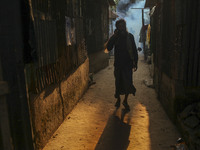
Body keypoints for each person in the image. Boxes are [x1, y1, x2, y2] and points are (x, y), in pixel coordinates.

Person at [106, 19, 138, 110]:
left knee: (128, 83)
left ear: (125, 26)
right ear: (117, 27)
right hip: (118, 64)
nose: (122, 27)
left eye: (123, 25)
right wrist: (114, 36)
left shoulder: (130, 37)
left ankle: (125, 100)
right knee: (118, 83)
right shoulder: (116, 37)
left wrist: (136, 62)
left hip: (128, 64)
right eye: (120, 26)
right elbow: (108, 48)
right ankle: (119, 99)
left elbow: (134, 50)